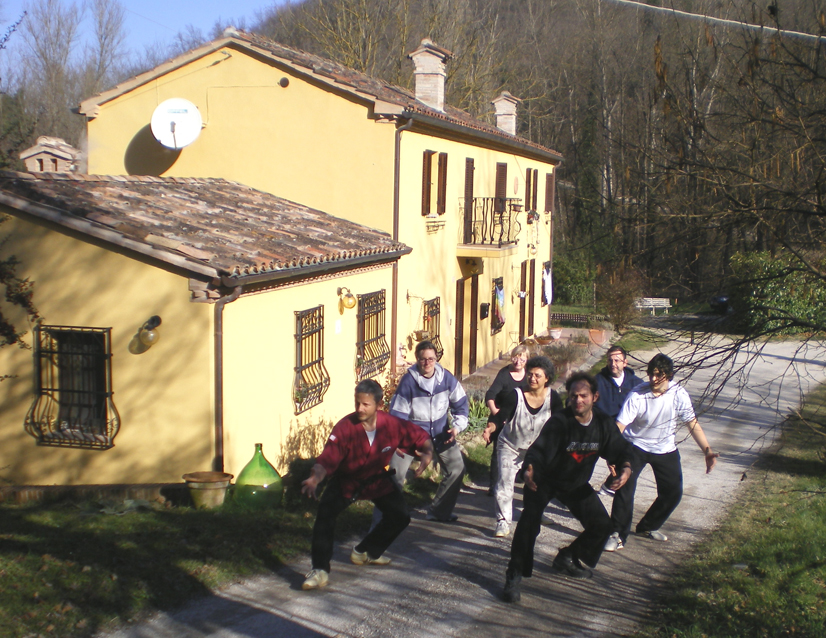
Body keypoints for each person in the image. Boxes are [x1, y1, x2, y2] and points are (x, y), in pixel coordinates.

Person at [503, 372, 634, 603]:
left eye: (584, 395)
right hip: (544, 481)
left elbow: (621, 450)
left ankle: (567, 557)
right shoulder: (560, 422)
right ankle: (513, 576)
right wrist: (530, 469)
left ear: (595, 397)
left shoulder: (603, 424)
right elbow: (538, 450)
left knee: (602, 526)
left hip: (575, 484)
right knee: (528, 526)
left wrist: (625, 470)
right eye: (573, 396)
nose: (578, 400)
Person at [300, 380, 433, 590]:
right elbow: (327, 459)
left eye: (365, 404)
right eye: (357, 403)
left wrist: (427, 452)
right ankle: (320, 570)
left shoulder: (391, 425)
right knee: (325, 516)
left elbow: (420, 436)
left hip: (376, 479)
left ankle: (366, 552)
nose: (360, 409)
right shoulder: (345, 428)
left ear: (379, 405)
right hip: (346, 482)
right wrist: (315, 478)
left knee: (400, 516)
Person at [604, 353, 719, 553]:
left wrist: (707, 450)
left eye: (659, 375)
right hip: (635, 446)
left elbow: (692, 423)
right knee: (625, 487)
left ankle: (648, 526)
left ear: (669, 375)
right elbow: (619, 427)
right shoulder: (638, 395)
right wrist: (612, 456)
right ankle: (617, 534)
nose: (654, 379)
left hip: (665, 448)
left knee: (672, 493)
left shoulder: (678, 394)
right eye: (651, 374)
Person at [389, 340, 469, 522]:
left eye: (431, 359)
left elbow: (461, 405)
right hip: (412, 438)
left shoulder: (447, 379)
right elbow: (397, 414)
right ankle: (390, 515)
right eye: (423, 359)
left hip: (441, 435)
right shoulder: (408, 382)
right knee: (394, 474)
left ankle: (439, 511)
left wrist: (456, 428)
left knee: (457, 468)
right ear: (417, 360)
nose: (427, 363)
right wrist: (400, 440)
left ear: (436, 359)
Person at [483, 356, 563, 537]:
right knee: (504, 483)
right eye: (530, 374)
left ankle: (536, 513)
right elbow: (501, 416)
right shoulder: (516, 395)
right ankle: (503, 522)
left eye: (537, 375)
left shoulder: (553, 398)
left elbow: (561, 423)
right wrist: (491, 427)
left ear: (547, 378)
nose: (532, 378)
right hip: (510, 446)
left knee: (538, 485)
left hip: (537, 450)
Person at [594, 346, 643, 496]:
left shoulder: (636, 384)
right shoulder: (597, 382)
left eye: (617, 360)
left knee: (631, 458)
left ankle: (611, 486)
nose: (613, 363)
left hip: (626, 430)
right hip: (601, 429)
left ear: (625, 363)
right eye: (610, 360)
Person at [483, 345, 530, 495]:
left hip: (521, 417)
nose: (518, 361)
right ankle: (494, 485)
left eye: (522, 358)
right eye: (515, 357)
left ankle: (520, 477)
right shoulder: (504, 374)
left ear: (527, 359)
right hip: (501, 416)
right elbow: (490, 396)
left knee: (524, 449)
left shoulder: (529, 376)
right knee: (499, 451)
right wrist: (498, 414)